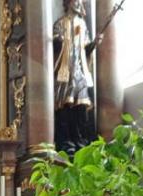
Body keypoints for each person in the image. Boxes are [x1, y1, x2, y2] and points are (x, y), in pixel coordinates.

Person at [53, 0, 100, 153]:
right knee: (64, 107)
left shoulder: (83, 24)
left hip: (79, 71)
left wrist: (94, 44)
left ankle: (81, 142)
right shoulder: (60, 23)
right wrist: (58, 40)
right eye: (76, 0)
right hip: (64, 71)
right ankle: (66, 143)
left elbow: (86, 50)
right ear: (68, 2)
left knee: (81, 108)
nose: (79, 3)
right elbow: (53, 46)